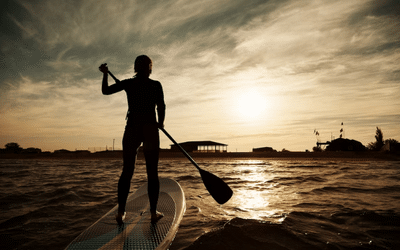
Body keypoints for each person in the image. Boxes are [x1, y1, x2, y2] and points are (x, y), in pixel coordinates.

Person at [99, 55, 166, 224]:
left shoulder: (129, 83)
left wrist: (105, 74)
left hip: (132, 129)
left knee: (127, 171)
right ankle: (153, 212)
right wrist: (161, 122)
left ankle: (121, 212)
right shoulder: (155, 85)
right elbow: (161, 105)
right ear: (150, 68)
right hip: (150, 129)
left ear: (136, 68)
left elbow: (105, 91)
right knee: (152, 173)